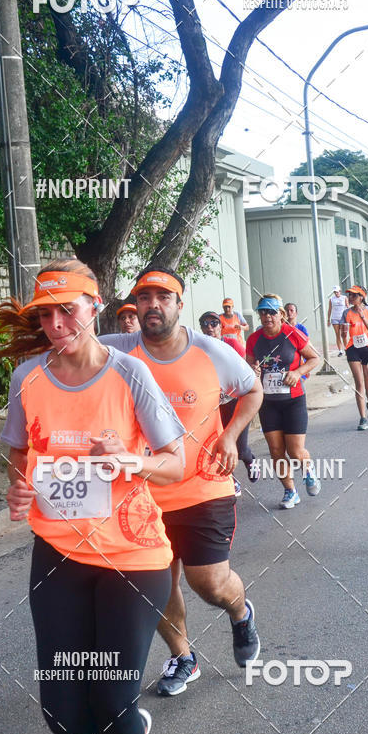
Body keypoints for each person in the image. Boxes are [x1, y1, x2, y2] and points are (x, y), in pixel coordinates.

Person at [0, 259, 185, 734]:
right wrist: (18, 487)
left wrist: (131, 459)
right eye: (46, 315)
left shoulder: (129, 373)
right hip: (58, 555)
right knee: (65, 718)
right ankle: (126, 724)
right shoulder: (27, 377)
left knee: (112, 698)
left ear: (95, 306)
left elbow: (175, 463)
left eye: (68, 310)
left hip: (133, 556)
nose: (56, 324)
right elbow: (15, 449)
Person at [100, 268, 263, 697]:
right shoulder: (116, 351)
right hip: (141, 492)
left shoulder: (212, 351)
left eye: (163, 296)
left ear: (179, 303)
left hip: (203, 487)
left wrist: (230, 435)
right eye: (144, 297)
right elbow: (68, 350)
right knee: (154, 583)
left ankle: (241, 612)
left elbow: (253, 390)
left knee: (207, 582)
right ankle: (183, 657)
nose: (153, 304)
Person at [246, 294, 322, 508]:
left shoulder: (292, 334)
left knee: (295, 451)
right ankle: (290, 491)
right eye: (262, 311)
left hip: (293, 400)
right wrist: (253, 371)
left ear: (280, 314)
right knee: (276, 451)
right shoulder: (253, 339)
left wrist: (298, 372)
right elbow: (249, 367)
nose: (267, 316)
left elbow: (316, 358)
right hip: (268, 402)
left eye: (271, 312)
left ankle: (308, 471)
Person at [199, 311, 261, 494]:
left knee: (239, 448)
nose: (210, 328)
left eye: (214, 323)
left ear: (220, 326)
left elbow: (246, 365)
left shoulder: (231, 344)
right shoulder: (199, 348)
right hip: (213, 405)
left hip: (235, 402)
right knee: (218, 445)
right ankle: (231, 480)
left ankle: (249, 459)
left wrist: (253, 373)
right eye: (205, 324)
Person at [341, 285, 368, 430]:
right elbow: (344, 332)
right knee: (359, 384)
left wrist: (363, 318)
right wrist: (345, 342)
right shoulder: (346, 313)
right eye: (349, 295)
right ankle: (362, 418)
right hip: (353, 349)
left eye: (353, 296)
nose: (350, 298)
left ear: (361, 297)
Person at [327, 287, 349, 356]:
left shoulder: (344, 297)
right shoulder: (331, 299)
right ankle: (340, 350)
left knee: (344, 335)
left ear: (340, 291)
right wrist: (328, 319)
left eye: (337, 292)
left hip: (343, 318)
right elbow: (330, 309)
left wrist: (349, 317)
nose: (336, 293)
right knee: (337, 335)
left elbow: (348, 307)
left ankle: (347, 349)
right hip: (334, 318)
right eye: (335, 292)